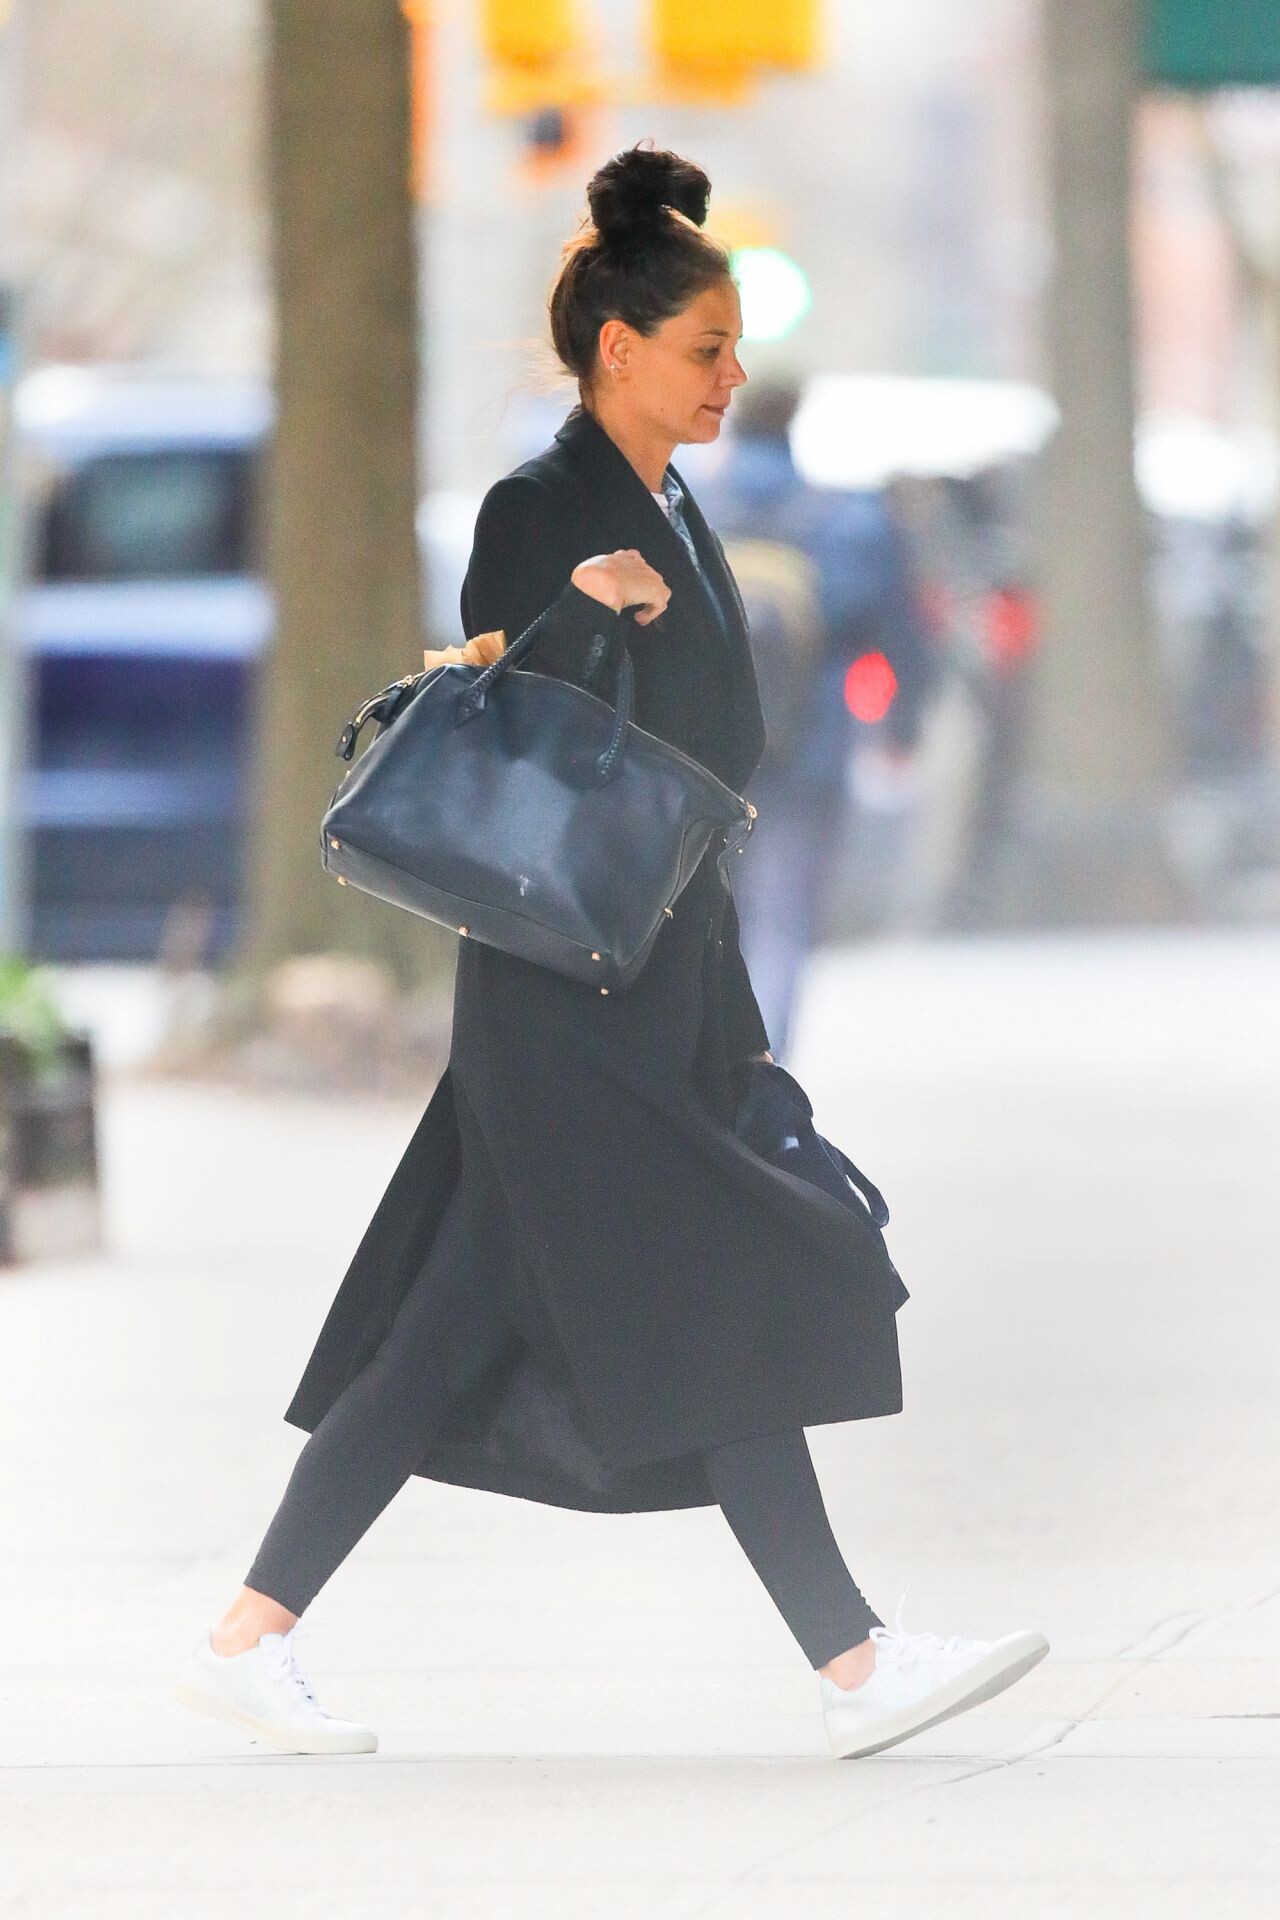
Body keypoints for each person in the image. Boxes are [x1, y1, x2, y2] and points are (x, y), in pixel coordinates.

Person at [175, 141, 1047, 1763]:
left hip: (646, 972)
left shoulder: (677, 504)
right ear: (621, 350)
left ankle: (249, 1632)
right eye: (705, 350)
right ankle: (855, 1661)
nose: (730, 379)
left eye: (734, 351)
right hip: (566, 987)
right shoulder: (541, 507)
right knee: (699, 1290)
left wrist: (730, 999)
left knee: (450, 1329)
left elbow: (712, 753)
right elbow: (514, 725)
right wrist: (593, 613)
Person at [695, 379, 939, 1058]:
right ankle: (763, 1065)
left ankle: (710, 1060)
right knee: (784, 916)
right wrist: (901, 731)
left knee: (704, 912)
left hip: (702, 751)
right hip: (810, 742)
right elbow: (904, 636)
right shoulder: (849, 522)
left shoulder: (689, 514)